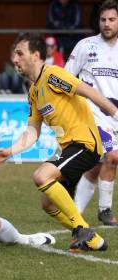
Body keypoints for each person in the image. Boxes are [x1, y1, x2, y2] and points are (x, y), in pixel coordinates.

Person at [0, 33, 118, 252]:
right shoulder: (33, 92)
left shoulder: (53, 75)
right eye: (14, 54)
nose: (15, 59)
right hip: (71, 148)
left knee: (41, 176)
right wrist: (10, 151)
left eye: (20, 53)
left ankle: (82, 229)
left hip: (86, 144)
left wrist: (115, 114)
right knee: (48, 204)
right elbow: (33, 131)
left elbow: (88, 91)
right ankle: (94, 241)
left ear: (36, 55)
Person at [65, 0, 118, 226]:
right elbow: (67, 77)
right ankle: (104, 210)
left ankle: (76, 211)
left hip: (115, 116)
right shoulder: (85, 46)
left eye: (112, 20)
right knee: (113, 156)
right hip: (93, 114)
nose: (107, 24)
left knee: (99, 165)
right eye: (103, 20)